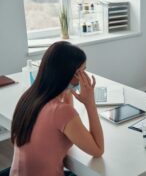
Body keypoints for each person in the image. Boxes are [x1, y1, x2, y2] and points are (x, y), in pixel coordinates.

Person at [10, 41, 104, 176]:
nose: (84, 77)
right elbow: (98, 150)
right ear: (66, 75)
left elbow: (64, 122)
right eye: (81, 72)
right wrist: (90, 103)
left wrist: (67, 88)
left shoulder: (29, 97)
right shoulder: (61, 112)